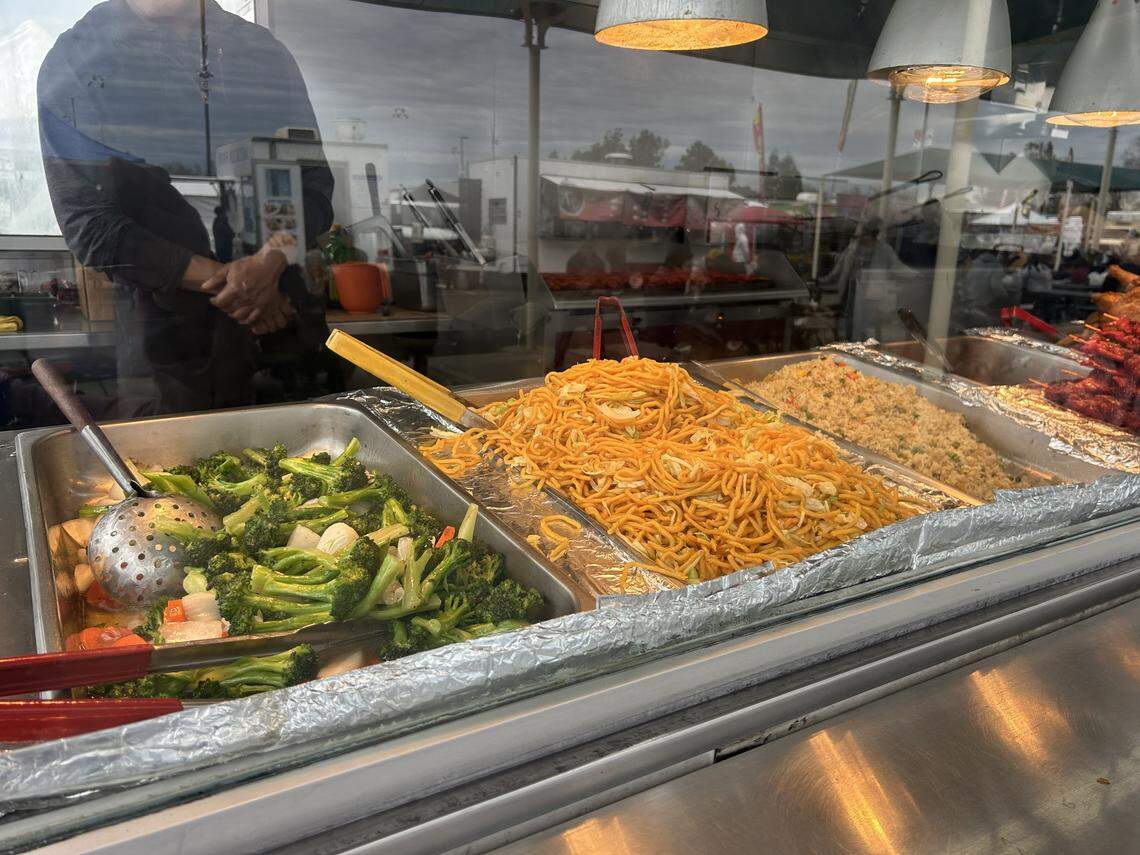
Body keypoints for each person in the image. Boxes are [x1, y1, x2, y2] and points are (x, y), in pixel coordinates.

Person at [37, 0, 334, 415]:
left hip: (282, 338)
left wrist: (272, 259)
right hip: (169, 350)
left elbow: (315, 185)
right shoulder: (80, 58)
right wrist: (239, 285)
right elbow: (89, 224)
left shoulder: (263, 53)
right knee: (169, 471)